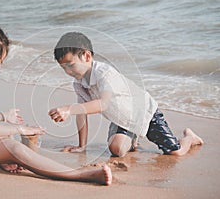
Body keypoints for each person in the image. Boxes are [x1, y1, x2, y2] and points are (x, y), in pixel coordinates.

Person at [0, 24, 112, 185]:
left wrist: (4, 120)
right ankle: (79, 174)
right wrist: (21, 129)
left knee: (2, 142)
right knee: (11, 147)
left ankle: (6, 159)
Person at [48, 32, 204, 157]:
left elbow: (103, 104)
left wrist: (69, 108)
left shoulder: (104, 73)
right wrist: (82, 146)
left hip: (144, 113)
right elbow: (81, 114)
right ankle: (133, 138)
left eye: (71, 65)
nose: (68, 71)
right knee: (116, 150)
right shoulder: (79, 83)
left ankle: (190, 137)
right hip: (122, 119)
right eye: (64, 68)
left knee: (175, 152)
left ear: (87, 56)